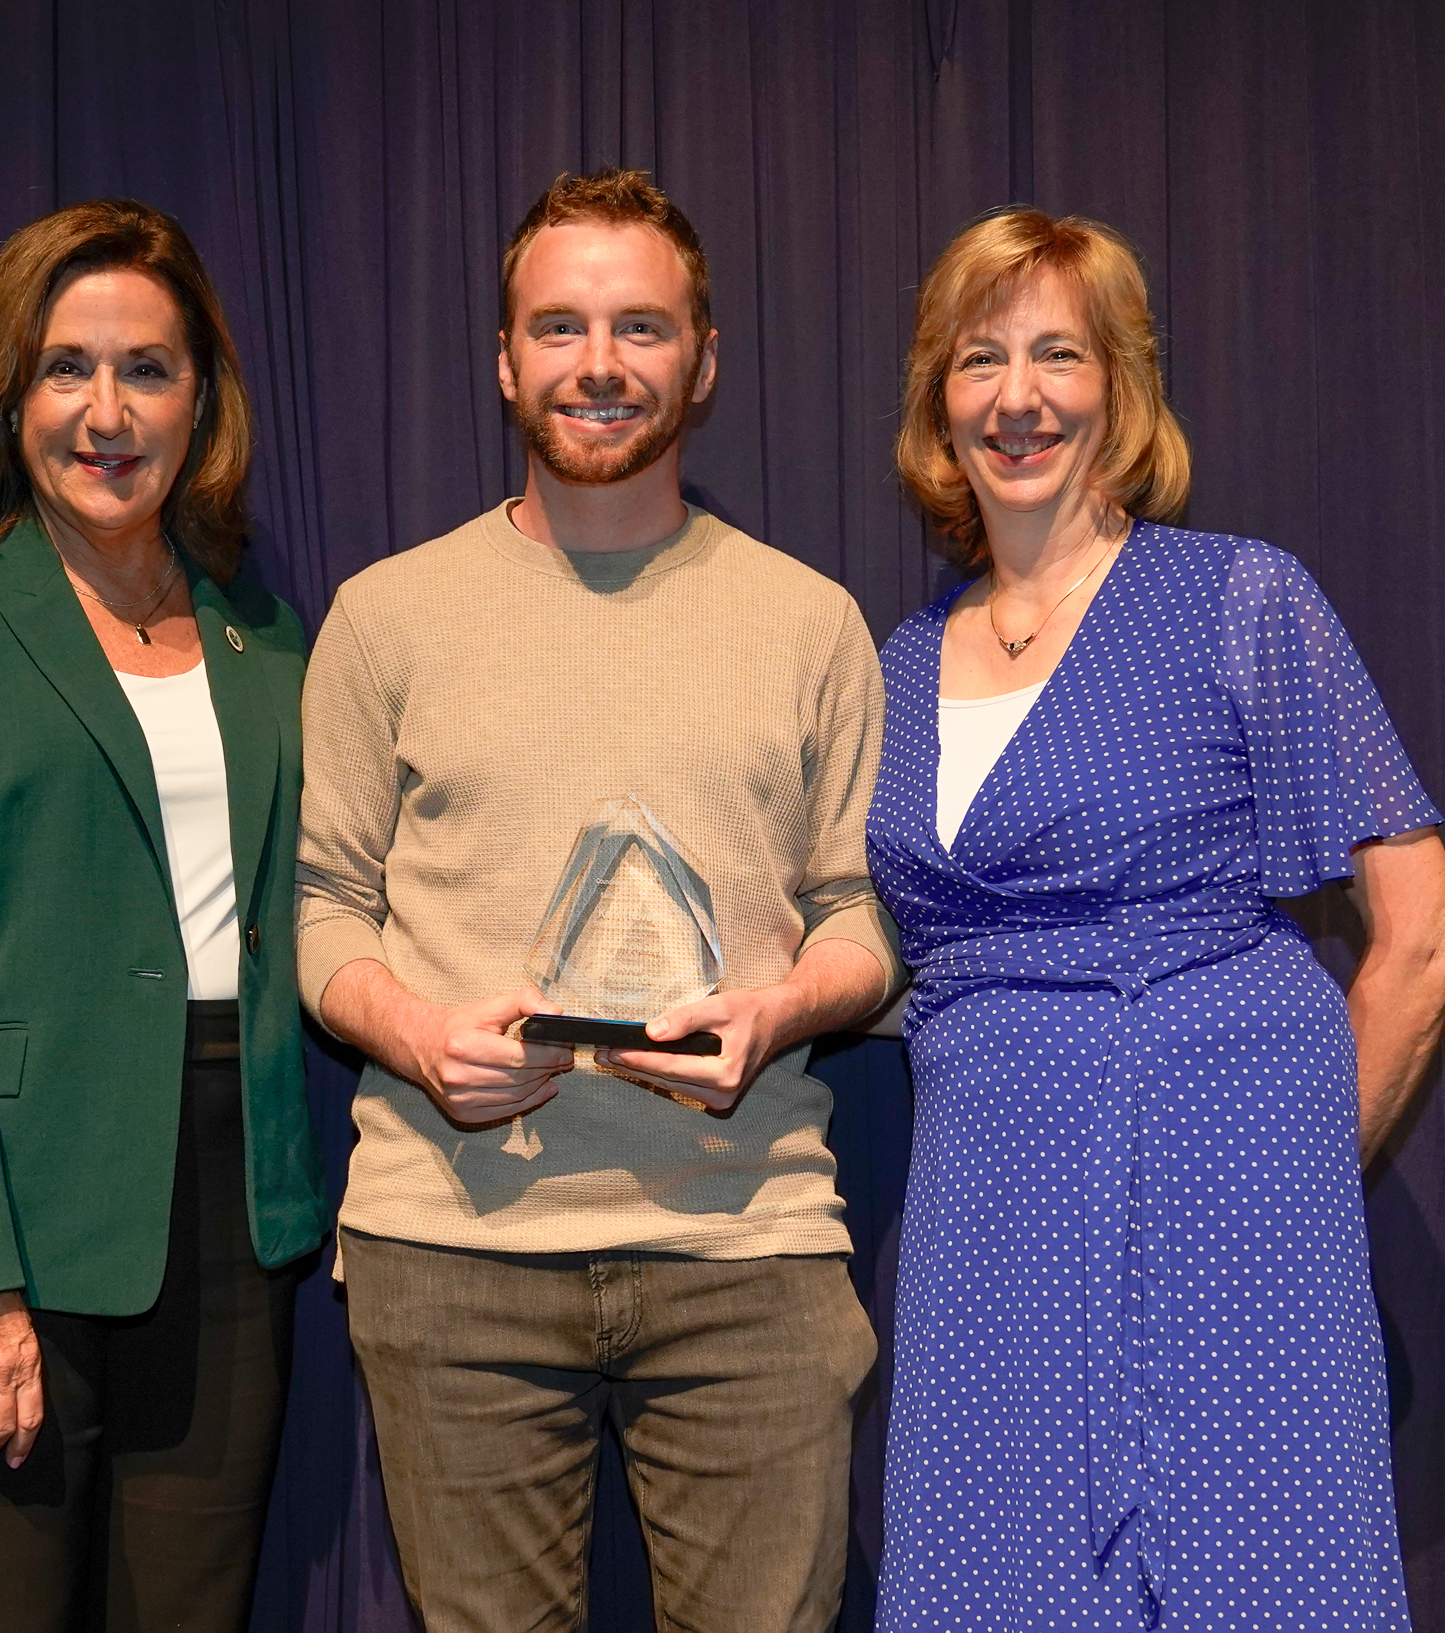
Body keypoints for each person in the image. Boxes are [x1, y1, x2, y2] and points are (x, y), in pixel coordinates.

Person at [296, 168, 901, 1633]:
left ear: (704, 359)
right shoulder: (386, 615)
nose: (600, 364)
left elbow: (863, 920)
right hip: (453, 1253)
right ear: (505, 360)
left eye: (641, 326)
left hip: (745, 1250)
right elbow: (322, 911)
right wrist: (421, 1038)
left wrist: (782, 1009)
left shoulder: (811, 620)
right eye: (558, 327)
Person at [866, 206, 1445, 1631]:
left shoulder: (1238, 600)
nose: (1018, 398)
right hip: (986, 1218)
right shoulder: (893, 664)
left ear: (1122, 390)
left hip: (1225, 1204)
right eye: (979, 359)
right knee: (982, 1580)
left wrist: (1292, 1179)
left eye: (1058, 355)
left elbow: (1429, 933)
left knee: (1253, 1582)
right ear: (936, 403)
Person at [0, 198, 322, 1633]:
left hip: (230, 1227)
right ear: (8, 392)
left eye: (148, 370)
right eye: (66, 367)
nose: (108, 412)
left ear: (201, 396)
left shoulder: (263, 631)